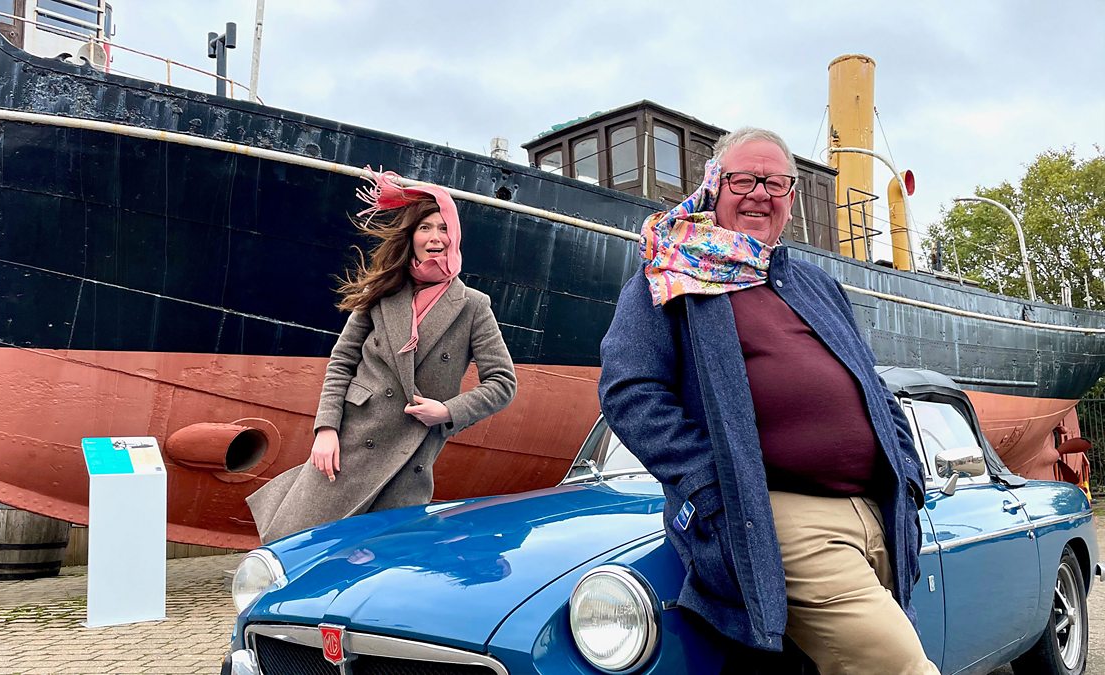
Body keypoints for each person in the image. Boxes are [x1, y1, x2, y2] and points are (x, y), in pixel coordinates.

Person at [598, 127, 936, 674]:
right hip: (784, 517)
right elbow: (630, 391)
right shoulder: (671, 275)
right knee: (900, 666)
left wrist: (909, 476)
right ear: (715, 187)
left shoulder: (815, 285)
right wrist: (714, 488)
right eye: (744, 180)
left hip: (881, 512)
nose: (760, 193)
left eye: (775, 183)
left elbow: (872, 388)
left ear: (791, 199)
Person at [247, 170, 517, 543]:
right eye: (424, 228)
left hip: (409, 461)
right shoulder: (382, 292)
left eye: (443, 228)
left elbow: (503, 383)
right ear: (411, 237)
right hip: (349, 443)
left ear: (454, 236)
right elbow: (342, 362)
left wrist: (447, 411)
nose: (434, 237)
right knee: (299, 545)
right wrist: (326, 430)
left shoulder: (472, 306)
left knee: (380, 561)